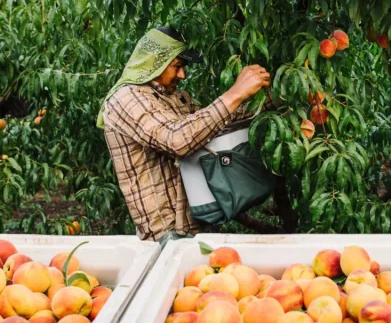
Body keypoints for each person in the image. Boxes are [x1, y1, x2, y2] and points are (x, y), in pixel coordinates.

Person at [97, 26, 270, 241]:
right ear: (154, 61)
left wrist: (269, 103)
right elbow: (176, 140)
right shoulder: (126, 99)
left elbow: (210, 126)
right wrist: (235, 93)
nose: (183, 74)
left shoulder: (174, 97)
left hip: (197, 223)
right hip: (167, 234)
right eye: (177, 66)